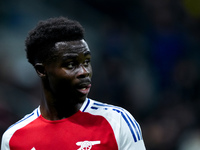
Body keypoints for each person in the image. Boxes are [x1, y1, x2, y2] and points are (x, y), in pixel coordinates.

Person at [1, 17, 146, 150]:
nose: (84, 71)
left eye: (87, 62)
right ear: (41, 70)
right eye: (70, 64)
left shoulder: (117, 121)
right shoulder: (13, 138)